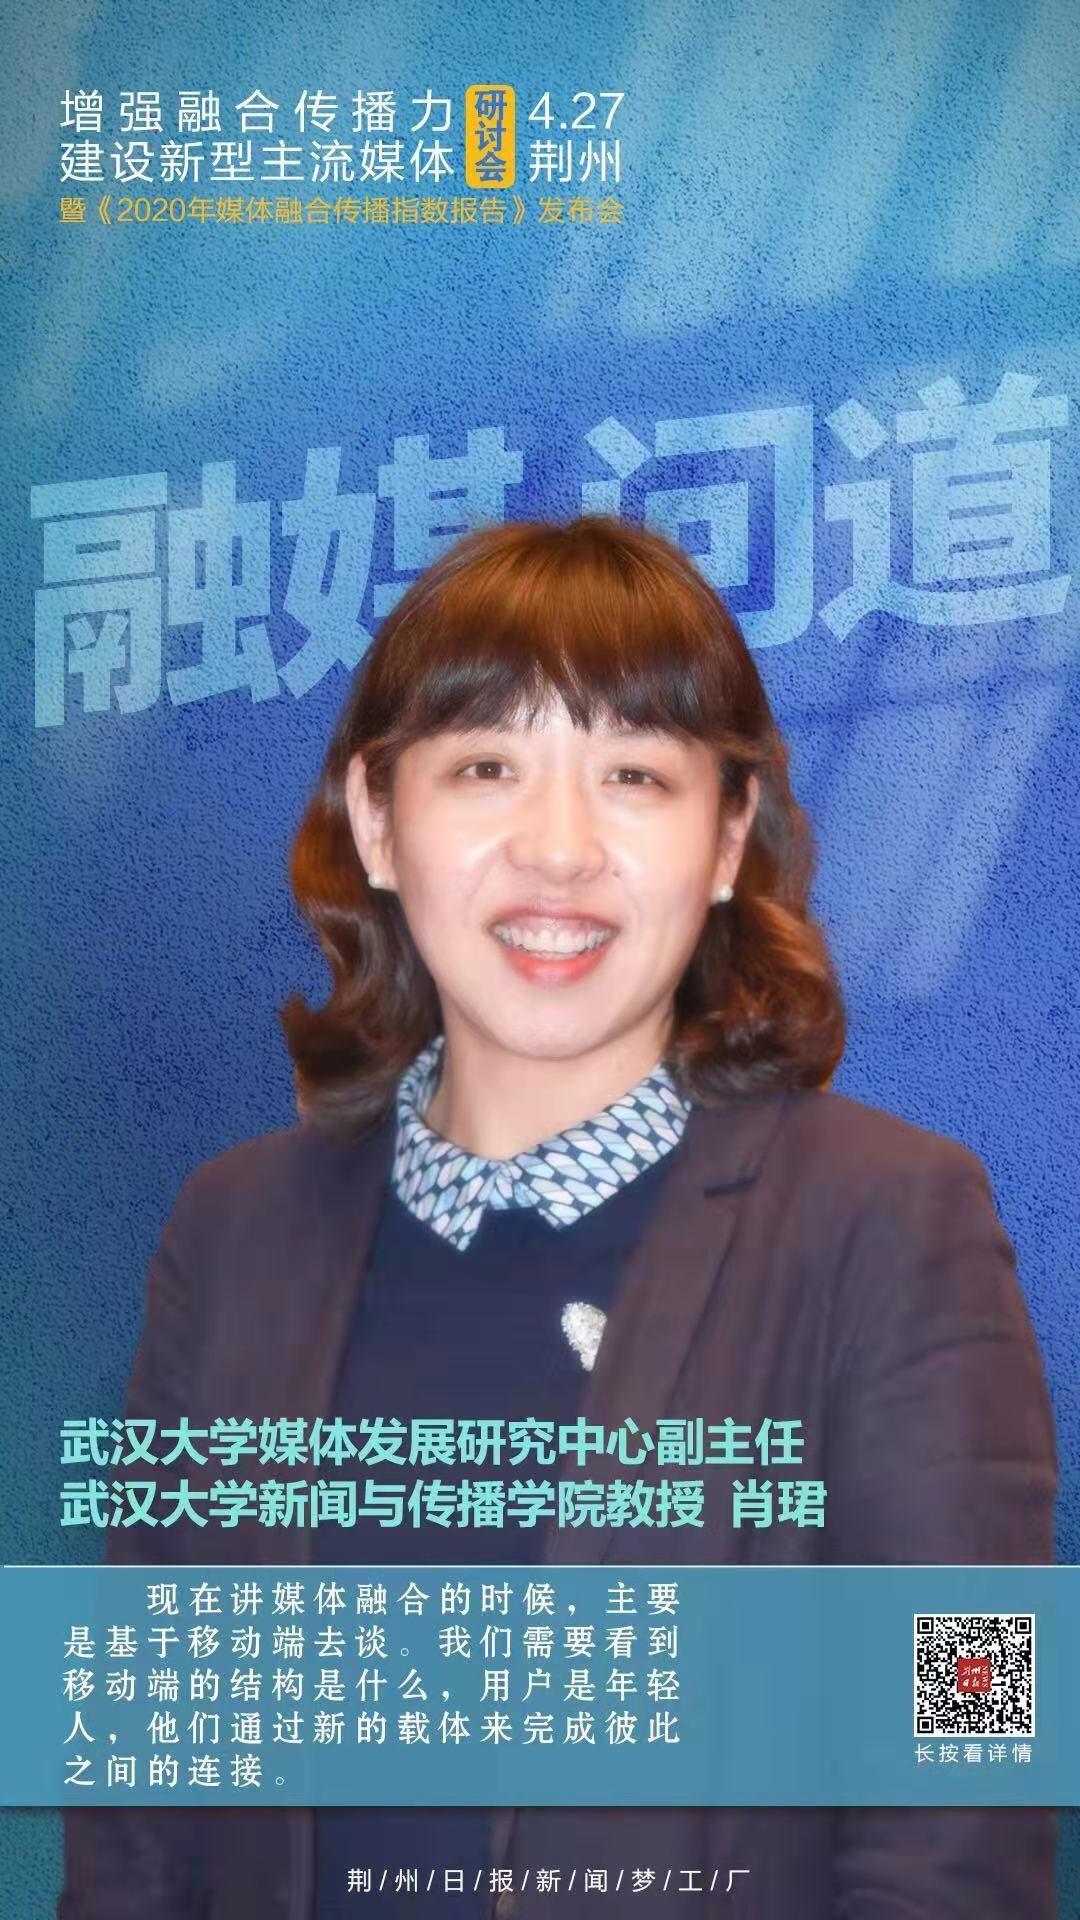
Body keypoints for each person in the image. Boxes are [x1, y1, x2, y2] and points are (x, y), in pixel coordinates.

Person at [59, 515, 1059, 1919]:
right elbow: (140, 1808)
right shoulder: (232, 1233)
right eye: (485, 767)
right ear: (376, 819)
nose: (559, 849)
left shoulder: (892, 1222)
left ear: (727, 839)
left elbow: (973, 1756)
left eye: (634, 776)